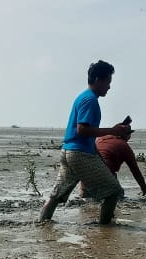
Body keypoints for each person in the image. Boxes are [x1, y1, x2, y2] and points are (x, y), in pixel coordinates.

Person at [39, 60, 131, 224]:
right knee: (113, 191)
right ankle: (105, 229)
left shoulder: (83, 97)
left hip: (69, 152)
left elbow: (84, 133)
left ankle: (41, 224)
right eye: (108, 82)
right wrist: (113, 131)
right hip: (80, 154)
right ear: (98, 80)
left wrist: (100, 157)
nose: (109, 87)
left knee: (56, 194)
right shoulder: (90, 100)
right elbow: (82, 130)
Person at [78, 130, 146, 198]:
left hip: (85, 174)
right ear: (126, 135)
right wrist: (145, 190)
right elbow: (135, 171)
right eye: (129, 134)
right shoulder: (124, 146)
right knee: (117, 195)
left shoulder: (100, 139)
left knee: (85, 200)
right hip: (105, 175)